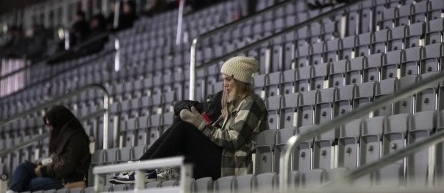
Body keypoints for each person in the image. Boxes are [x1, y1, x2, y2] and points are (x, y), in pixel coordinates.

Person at [111, 56, 268, 183]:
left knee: (185, 129)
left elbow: (234, 139)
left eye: (229, 80)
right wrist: (200, 122)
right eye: (224, 80)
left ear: (240, 80)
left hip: (232, 167)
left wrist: (200, 124)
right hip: (223, 163)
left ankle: (144, 169)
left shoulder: (252, 102)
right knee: (182, 123)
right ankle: (143, 168)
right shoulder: (233, 103)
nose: (225, 85)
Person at [7, 106, 91, 193]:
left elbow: (66, 167)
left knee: (30, 184)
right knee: (23, 167)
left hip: (68, 179)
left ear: (59, 122)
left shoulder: (75, 137)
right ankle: (13, 191)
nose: (49, 128)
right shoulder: (65, 135)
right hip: (57, 175)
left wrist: (44, 170)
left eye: (50, 125)